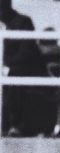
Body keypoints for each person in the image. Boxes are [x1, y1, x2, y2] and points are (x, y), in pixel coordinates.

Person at [0, 0, 55, 136]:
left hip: (19, 72)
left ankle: (13, 126)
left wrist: (6, 68)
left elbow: (27, 53)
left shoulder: (23, 22)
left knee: (14, 78)